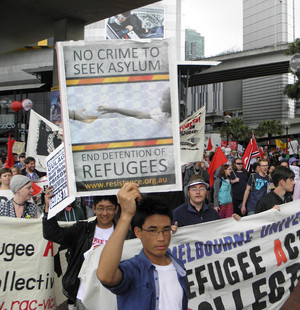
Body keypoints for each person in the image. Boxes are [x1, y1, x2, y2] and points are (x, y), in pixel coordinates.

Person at [97, 182, 188, 310]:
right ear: (138, 232)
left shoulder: (179, 267)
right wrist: (126, 215)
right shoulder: (134, 270)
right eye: (152, 230)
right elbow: (105, 275)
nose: (161, 238)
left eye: (166, 230)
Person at [43, 187, 133, 309]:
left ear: (116, 209)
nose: (105, 213)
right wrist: (49, 209)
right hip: (83, 296)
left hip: (112, 297)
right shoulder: (82, 229)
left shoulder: (125, 235)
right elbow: (53, 234)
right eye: (100, 208)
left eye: (109, 208)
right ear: (94, 209)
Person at [98, 88, 172, 133]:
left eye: (163, 99)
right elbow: (138, 114)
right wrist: (116, 109)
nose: (160, 102)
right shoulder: (162, 114)